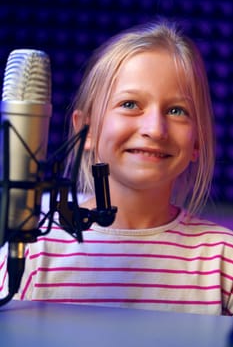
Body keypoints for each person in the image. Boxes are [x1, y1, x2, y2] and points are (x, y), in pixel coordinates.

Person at [0, 18, 233, 316]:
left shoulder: (222, 258)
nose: (155, 129)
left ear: (197, 142)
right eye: (130, 104)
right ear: (87, 130)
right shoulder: (35, 250)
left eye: (177, 111)